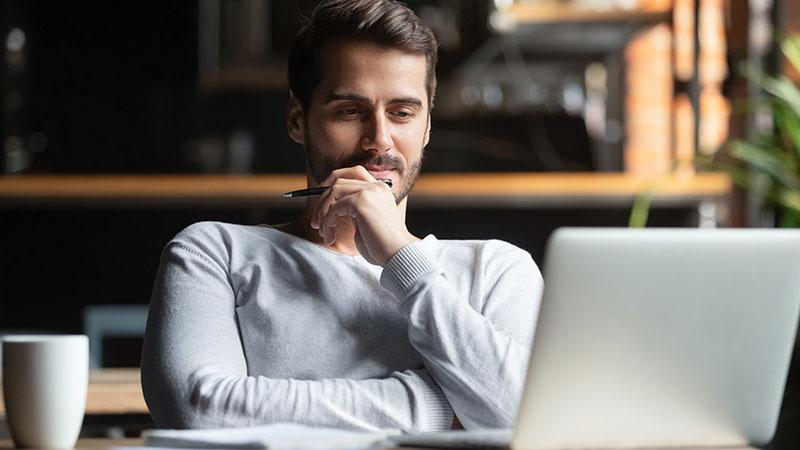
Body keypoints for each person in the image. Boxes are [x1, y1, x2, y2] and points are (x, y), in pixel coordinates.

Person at [141, 0, 543, 433]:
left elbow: (531, 419)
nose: (379, 140)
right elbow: (198, 410)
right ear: (298, 119)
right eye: (349, 112)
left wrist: (400, 257)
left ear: (427, 126)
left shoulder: (497, 269)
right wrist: (442, 404)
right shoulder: (214, 253)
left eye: (403, 113)